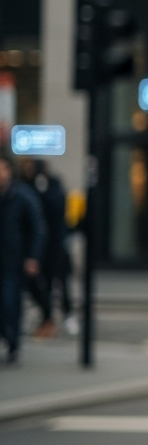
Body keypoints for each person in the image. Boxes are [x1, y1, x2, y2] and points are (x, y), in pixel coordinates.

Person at [0, 154, 45, 363]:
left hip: (13, 261)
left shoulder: (22, 197)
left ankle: (13, 344)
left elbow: (36, 229)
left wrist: (32, 257)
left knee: (10, 302)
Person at [20, 160, 71, 338]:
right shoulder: (25, 188)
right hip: (39, 247)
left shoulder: (51, 187)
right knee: (39, 285)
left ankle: (59, 317)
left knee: (56, 282)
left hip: (53, 246)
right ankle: (47, 318)